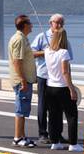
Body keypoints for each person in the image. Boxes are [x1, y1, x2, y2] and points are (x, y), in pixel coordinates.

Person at [31, 14, 72, 144]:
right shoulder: (41, 36)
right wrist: (47, 52)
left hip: (59, 78)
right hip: (44, 75)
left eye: (61, 23)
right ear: (50, 23)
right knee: (43, 104)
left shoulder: (64, 38)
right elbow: (31, 53)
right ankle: (43, 133)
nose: (59, 26)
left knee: (57, 107)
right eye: (57, 23)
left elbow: (68, 57)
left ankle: (56, 133)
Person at [45, 29, 83, 152]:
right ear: (63, 38)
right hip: (62, 88)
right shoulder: (64, 53)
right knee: (71, 116)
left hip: (50, 87)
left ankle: (55, 142)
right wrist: (71, 88)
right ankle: (73, 144)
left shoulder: (47, 51)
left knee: (53, 116)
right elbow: (65, 72)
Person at [8, 15, 37, 148]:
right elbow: (17, 61)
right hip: (22, 81)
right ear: (24, 25)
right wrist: (23, 80)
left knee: (24, 109)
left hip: (25, 79)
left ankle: (22, 136)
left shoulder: (22, 38)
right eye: (29, 23)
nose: (32, 25)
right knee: (20, 109)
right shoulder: (19, 39)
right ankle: (17, 137)